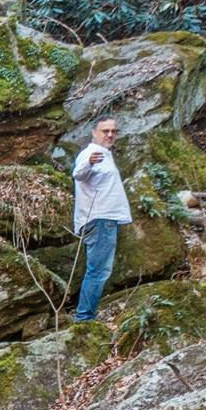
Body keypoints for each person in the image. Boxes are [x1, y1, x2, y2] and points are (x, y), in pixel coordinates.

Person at [70, 117, 131, 322]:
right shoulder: (90, 153)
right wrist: (89, 162)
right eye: (105, 131)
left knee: (98, 270)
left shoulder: (105, 154)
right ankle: (84, 318)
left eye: (114, 131)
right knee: (98, 271)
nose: (110, 135)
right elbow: (78, 173)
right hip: (99, 219)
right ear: (94, 132)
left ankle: (84, 315)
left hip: (103, 219)